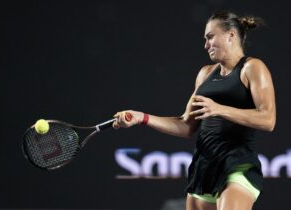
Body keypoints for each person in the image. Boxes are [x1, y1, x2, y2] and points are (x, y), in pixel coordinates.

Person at [113, 11, 276, 210]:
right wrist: (142, 117)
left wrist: (220, 109)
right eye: (205, 39)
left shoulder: (252, 67)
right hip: (204, 168)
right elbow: (186, 125)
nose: (206, 45)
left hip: (237, 166)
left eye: (210, 37)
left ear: (230, 35)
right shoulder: (205, 74)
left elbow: (268, 119)